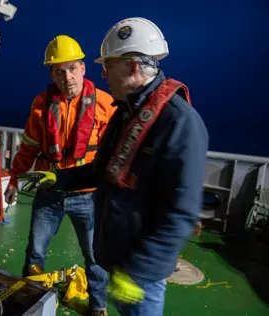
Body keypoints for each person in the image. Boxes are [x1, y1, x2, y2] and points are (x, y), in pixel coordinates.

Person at [19, 18, 209, 315]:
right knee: (36, 251)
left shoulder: (178, 122)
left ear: (132, 67)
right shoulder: (128, 113)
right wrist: (56, 178)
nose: (103, 73)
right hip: (118, 256)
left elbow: (181, 212)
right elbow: (101, 169)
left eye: (108, 65)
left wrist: (138, 272)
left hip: (137, 273)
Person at [5, 35, 116, 315]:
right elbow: (29, 146)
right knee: (35, 252)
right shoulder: (41, 105)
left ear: (83, 68)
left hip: (87, 196)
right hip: (49, 193)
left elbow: (113, 155)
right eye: (59, 71)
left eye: (71, 68)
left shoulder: (105, 103)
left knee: (95, 256)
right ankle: (30, 297)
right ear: (51, 74)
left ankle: (98, 306)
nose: (67, 77)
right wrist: (14, 179)